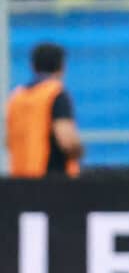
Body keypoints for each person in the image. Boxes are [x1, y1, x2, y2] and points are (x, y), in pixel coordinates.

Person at [6, 43, 83, 178]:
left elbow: (8, 141)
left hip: (20, 179)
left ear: (32, 66)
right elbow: (67, 140)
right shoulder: (55, 94)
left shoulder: (17, 97)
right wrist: (79, 151)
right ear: (62, 67)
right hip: (52, 179)